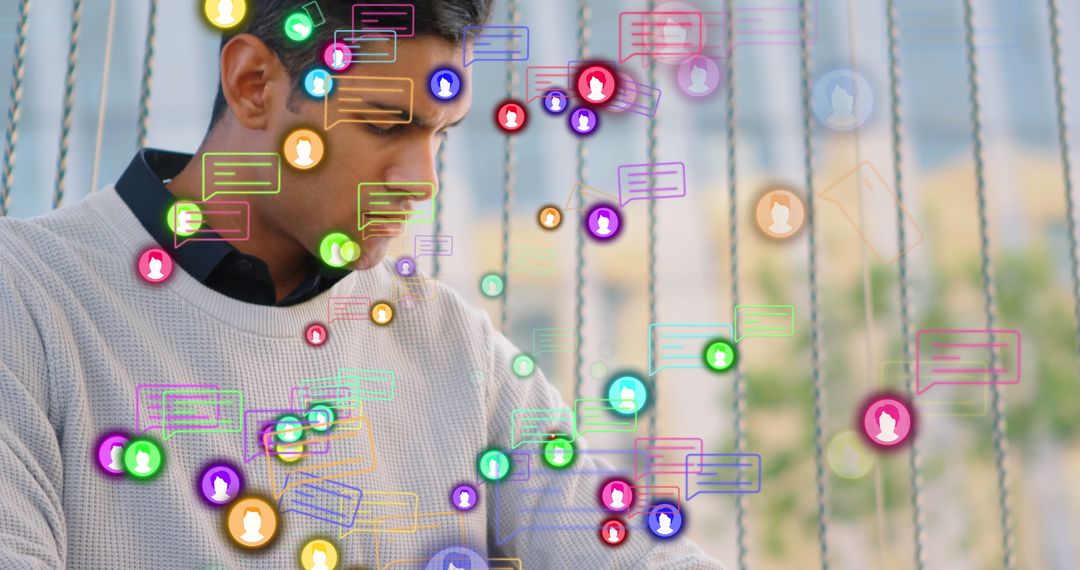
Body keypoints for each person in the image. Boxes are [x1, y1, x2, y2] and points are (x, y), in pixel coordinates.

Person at [0, 2, 722, 567]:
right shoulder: (29, 299)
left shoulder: (448, 340)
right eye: (385, 125)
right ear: (254, 85)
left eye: (440, 134)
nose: (423, 181)